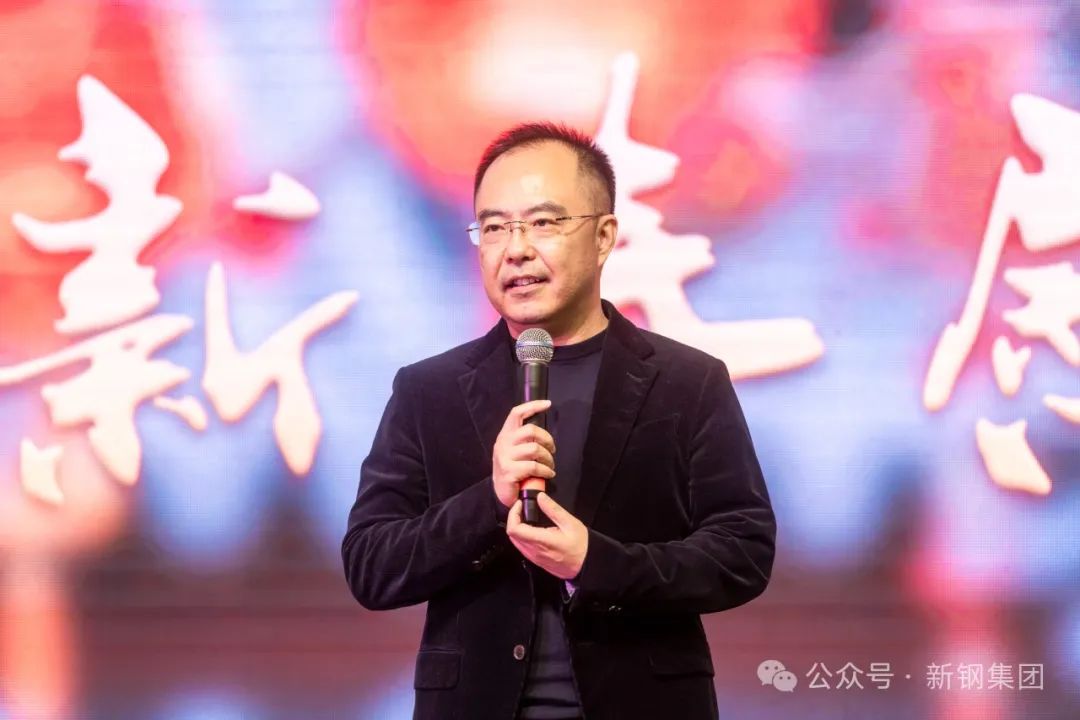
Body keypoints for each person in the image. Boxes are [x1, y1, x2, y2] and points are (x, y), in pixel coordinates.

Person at [342, 123, 776, 720]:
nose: (515, 249)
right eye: (494, 228)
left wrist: (596, 564)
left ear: (604, 237)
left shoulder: (687, 381)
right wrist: (489, 500)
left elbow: (742, 552)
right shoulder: (428, 391)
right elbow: (372, 565)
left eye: (543, 223)